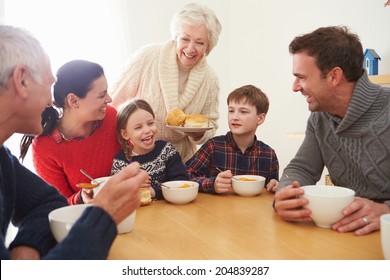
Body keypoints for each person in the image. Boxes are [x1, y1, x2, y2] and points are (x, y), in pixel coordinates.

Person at [0, 25, 148, 259]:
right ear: (22, 81)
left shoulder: (3, 159)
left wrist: (25, 251)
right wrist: (104, 214)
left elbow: (47, 203)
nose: (51, 101)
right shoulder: (44, 146)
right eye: (49, 85)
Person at [274, 26, 390, 236]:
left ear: (334, 76)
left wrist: (385, 210)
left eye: (301, 77)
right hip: (345, 235)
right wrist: (285, 194)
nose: (295, 86)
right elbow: (302, 168)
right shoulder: (320, 117)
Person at [110, 3, 222, 162]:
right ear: (176, 37)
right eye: (185, 39)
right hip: (139, 157)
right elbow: (113, 101)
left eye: (199, 42)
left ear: (209, 46)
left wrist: (199, 133)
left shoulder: (210, 80)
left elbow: (211, 125)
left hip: (181, 160)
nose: (190, 49)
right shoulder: (148, 57)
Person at [20, 60, 122, 205]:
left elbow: (136, 153)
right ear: (73, 100)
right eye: (101, 95)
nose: (109, 99)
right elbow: (59, 203)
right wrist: (81, 197)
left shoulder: (111, 116)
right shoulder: (45, 147)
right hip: (89, 220)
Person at [186, 85, 279, 194]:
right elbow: (185, 176)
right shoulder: (213, 147)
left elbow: (272, 189)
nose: (235, 117)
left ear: (260, 118)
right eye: (231, 111)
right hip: (218, 210)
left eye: (243, 112)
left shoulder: (269, 155)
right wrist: (212, 184)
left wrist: (276, 186)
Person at [111, 99, 189, 200]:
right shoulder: (121, 162)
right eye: (138, 127)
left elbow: (181, 182)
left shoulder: (166, 150)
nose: (147, 130)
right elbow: (116, 192)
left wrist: (154, 191)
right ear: (125, 134)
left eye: (150, 123)